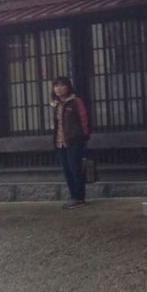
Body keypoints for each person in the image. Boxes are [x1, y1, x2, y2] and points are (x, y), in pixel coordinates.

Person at [51, 76, 91, 209]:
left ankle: (79, 198)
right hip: (60, 142)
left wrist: (83, 137)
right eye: (56, 86)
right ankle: (73, 196)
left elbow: (84, 120)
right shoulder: (57, 104)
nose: (58, 88)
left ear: (68, 87)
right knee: (67, 170)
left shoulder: (75, 101)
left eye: (62, 85)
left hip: (74, 141)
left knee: (75, 169)